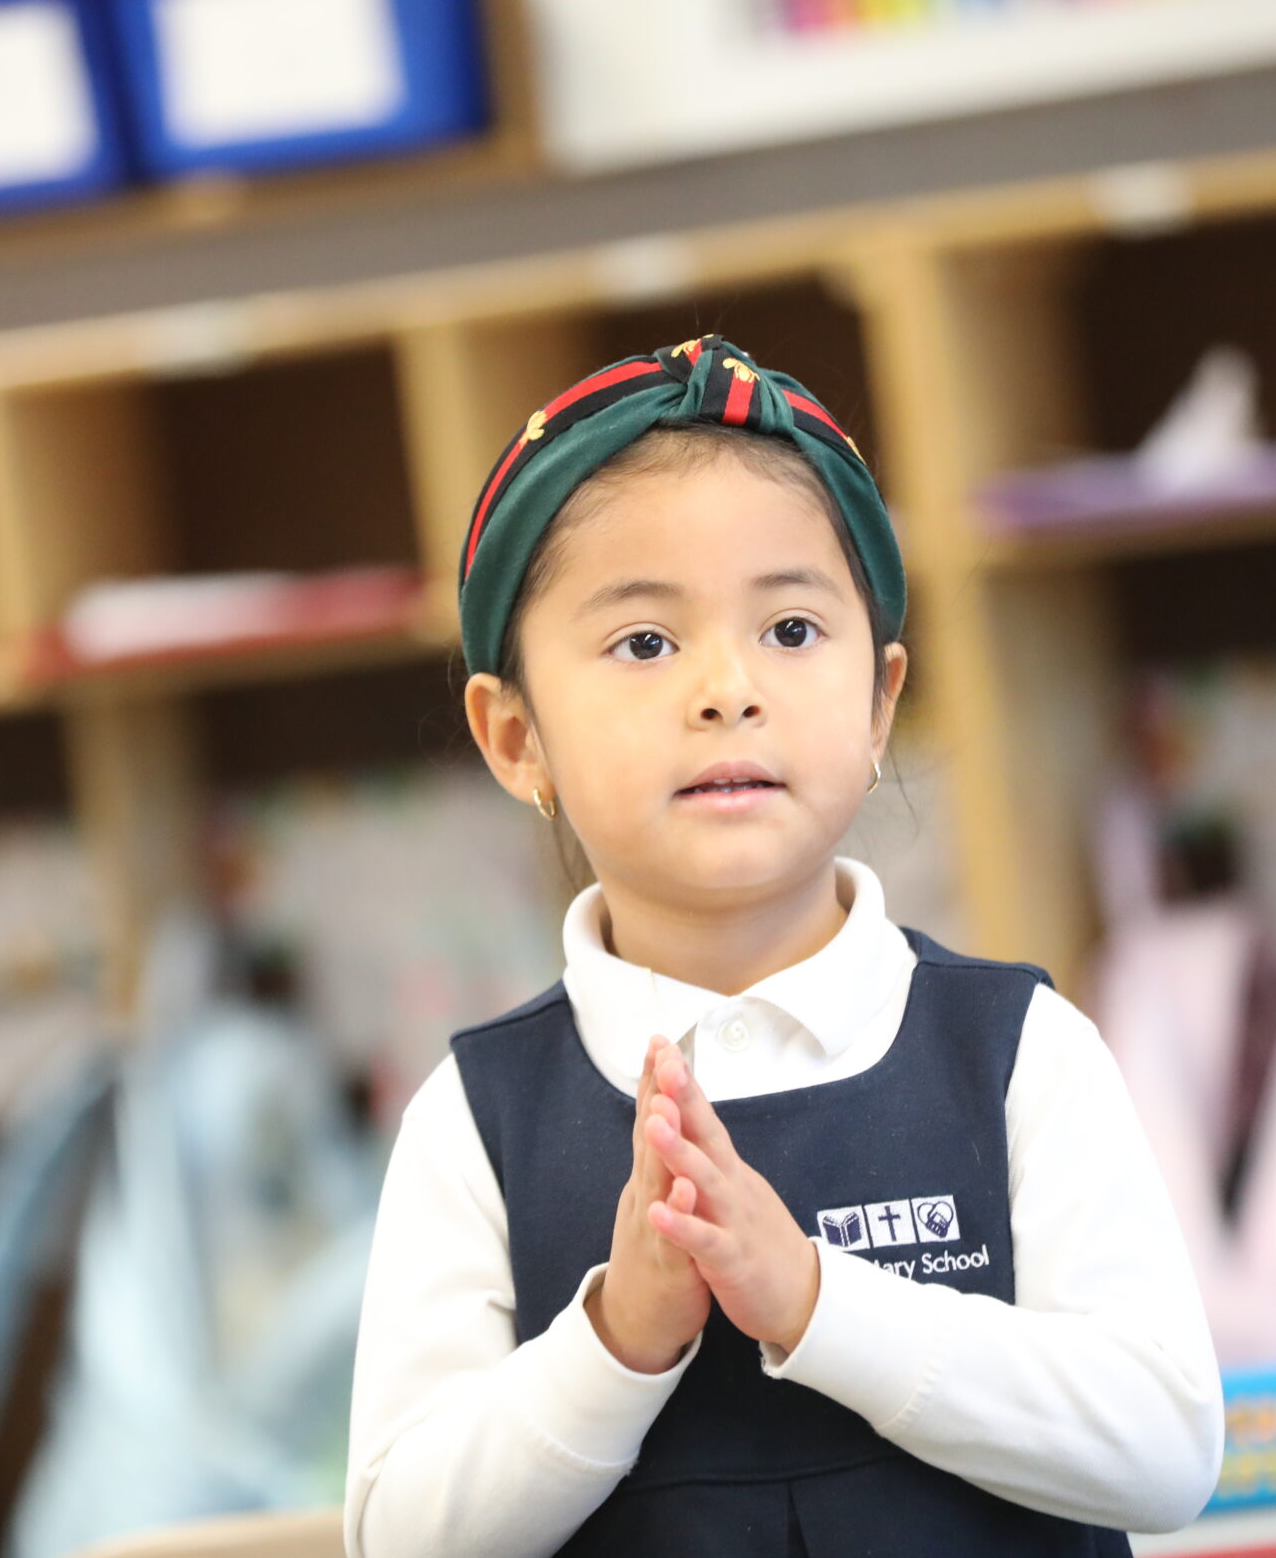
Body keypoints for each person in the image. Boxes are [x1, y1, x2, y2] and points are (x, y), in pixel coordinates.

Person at [344, 336, 1223, 1558]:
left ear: (879, 703)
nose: (727, 689)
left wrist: (814, 1301)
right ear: (512, 738)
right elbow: (398, 1537)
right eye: (645, 642)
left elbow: (1166, 1449)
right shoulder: (475, 1121)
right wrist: (618, 1339)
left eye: (794, 630)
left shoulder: (1018, 1051)